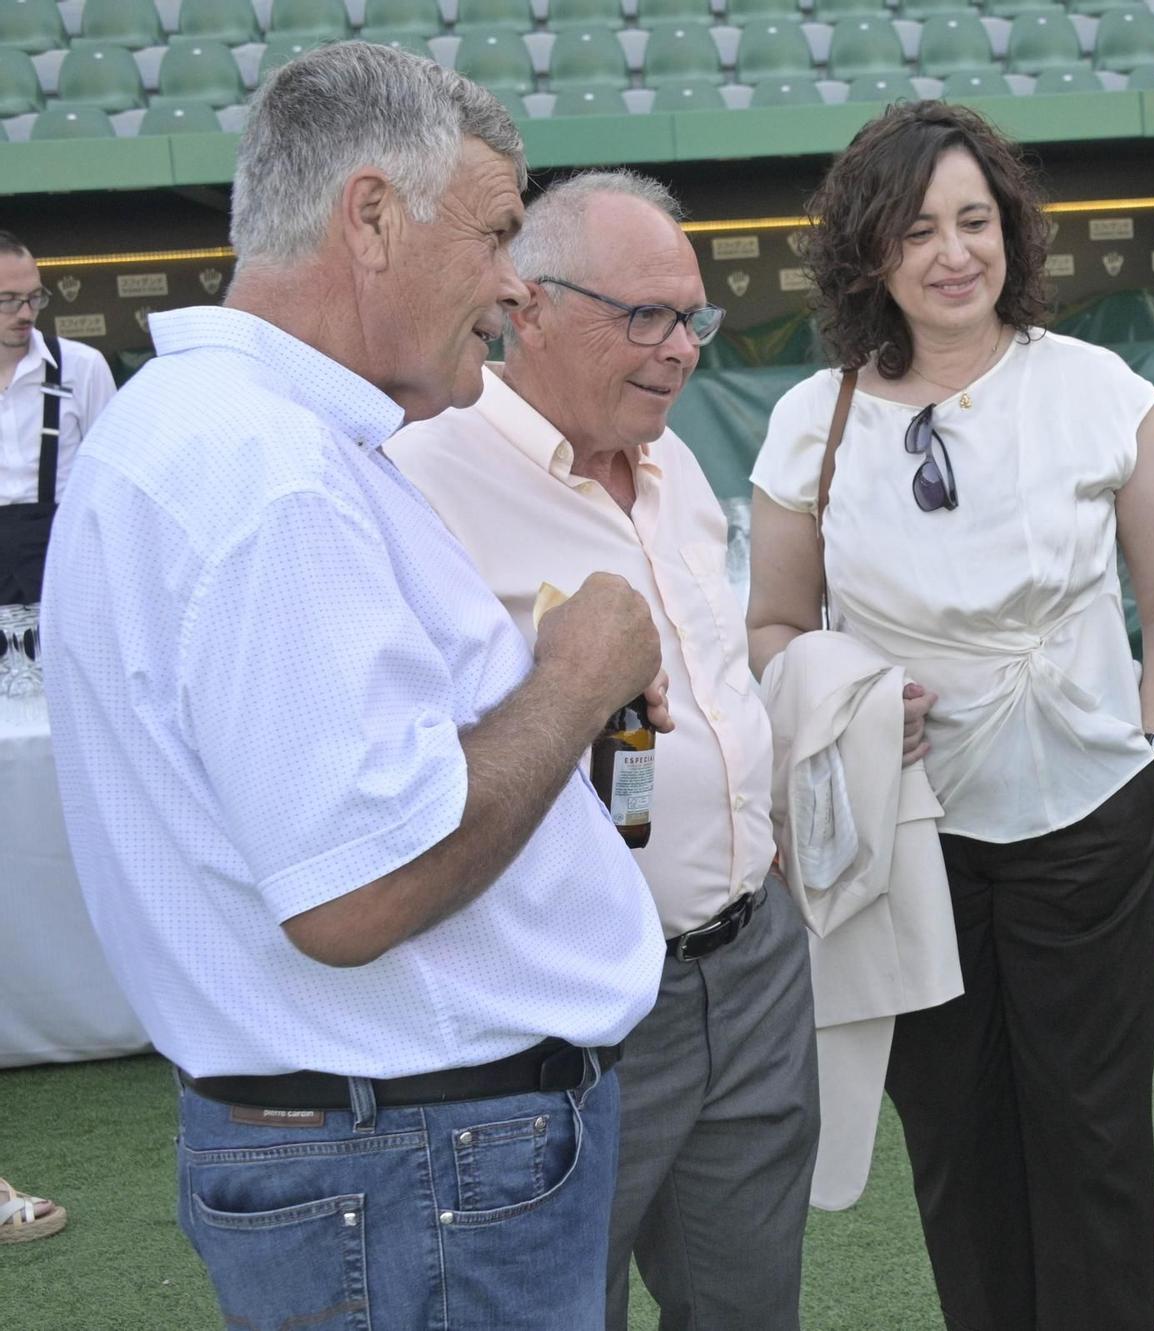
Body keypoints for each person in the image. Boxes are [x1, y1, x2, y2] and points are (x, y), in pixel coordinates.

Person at [41, 43, 668, 1329]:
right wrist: (575, 670)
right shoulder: (268, 472)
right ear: (372, 217)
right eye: (495, 231)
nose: (511, 282)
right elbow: (357, 888)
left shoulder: (218, 433)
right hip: (419, 1167)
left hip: (389, 1154)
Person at [746, 100, 1154, 1331]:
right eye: (916, 231)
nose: (954, 254)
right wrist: (844, 694)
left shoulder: (1098, 390)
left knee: (1095, 1140)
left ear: (1010, 231)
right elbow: (771, 631)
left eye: (974, 220)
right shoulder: (811, 420)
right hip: (907, 837)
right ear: (868, 255)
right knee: (955, 1143)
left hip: (1088, 821)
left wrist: (1152, 755)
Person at [386, 169, 819, 1331]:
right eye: (645, 316)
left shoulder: (673, 465)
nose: (681, 349)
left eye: (693, 317)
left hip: (751, 955)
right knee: (561, 1307)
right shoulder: (420, 478)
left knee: (747, 1305)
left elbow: (711, 679)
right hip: (569, 1002)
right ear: (524, 303)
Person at [0, 230, 116, 606]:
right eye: (8, 301)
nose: (25, 313)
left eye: (35, 298)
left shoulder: (82, 366)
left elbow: (111, 479)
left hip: (68, 568)